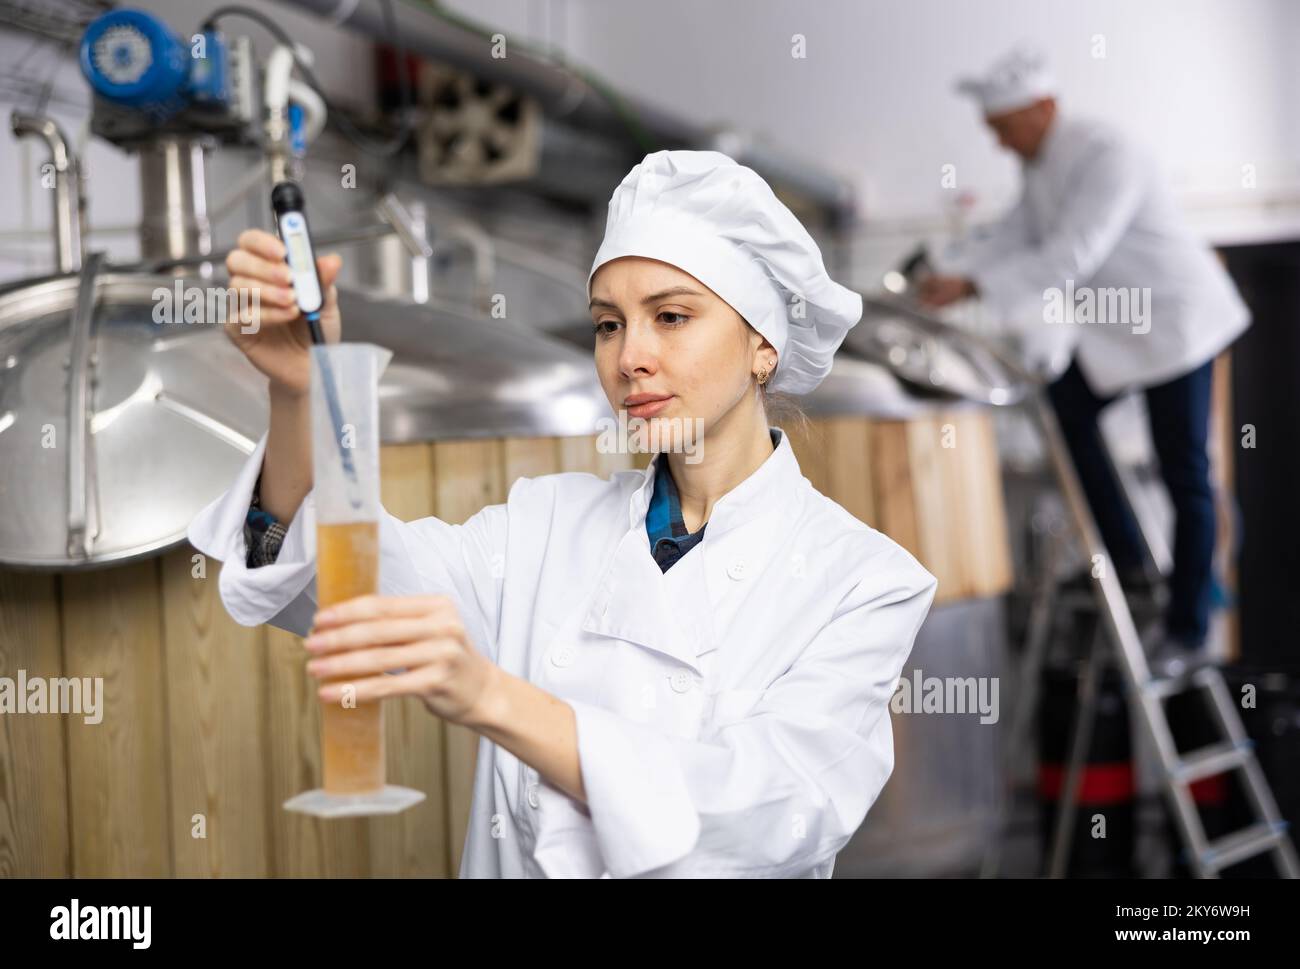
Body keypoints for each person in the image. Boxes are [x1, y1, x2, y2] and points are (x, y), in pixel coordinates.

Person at [187, 149, 938, 878]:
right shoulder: (542, 524)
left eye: (671, 316)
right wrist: (297, 391)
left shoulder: (862, 581)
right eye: (608, 324)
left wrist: (493, 697)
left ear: (763, 346)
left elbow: (777, 807)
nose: (630, 357)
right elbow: (345, 583)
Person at [918, 46, 1251, 679]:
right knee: (1066, 413)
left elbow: (1072, 254)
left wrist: (973, 288)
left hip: (1177, 326)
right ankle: (1128, 557)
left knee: (1186, 473)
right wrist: (951, 272)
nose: (999, 142)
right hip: (1123, 335)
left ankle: (1187, 627)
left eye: (1003, 128)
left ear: (1043, 108)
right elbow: (1015, 235)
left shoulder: (1106, 155)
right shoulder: (1041, 166)